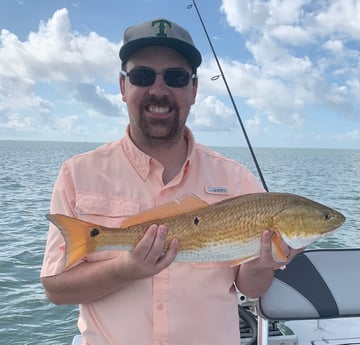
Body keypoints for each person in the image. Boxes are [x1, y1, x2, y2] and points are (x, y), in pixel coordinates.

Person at [41, 18, 301, 345]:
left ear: (193, 90)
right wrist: (126, 269)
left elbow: (250, 288)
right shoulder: (77, 174)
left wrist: (264, 264)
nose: (159, 91)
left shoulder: (237, 179)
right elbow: (56, 289)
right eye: (142, 75)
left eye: (176, 77)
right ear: (123, 87)